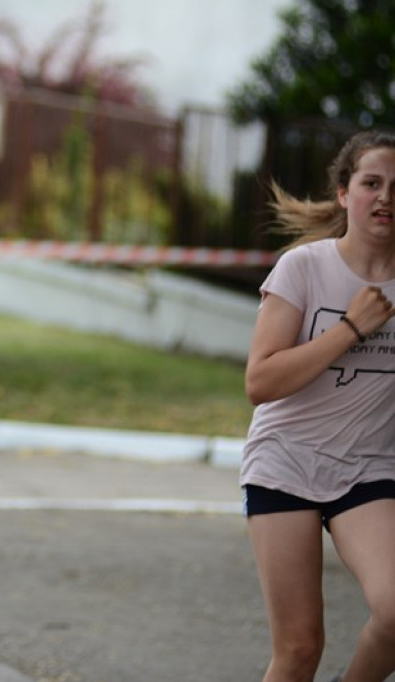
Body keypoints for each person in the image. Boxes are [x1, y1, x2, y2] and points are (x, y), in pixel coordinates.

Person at [242, 130, 395, 682]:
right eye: (371, 183)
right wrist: (352, 327)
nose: (385, 197)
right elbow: (259, 380)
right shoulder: (303, 268)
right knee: (300, 648)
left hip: (368, 468)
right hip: (286, 462)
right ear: (343, 193)